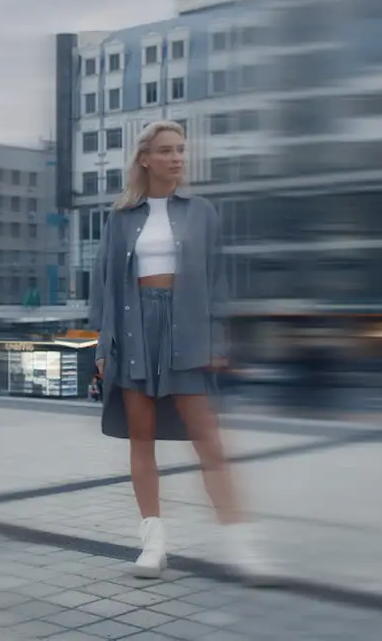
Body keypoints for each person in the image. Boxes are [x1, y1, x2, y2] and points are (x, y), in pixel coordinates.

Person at [89, 120, 274, 582]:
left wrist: (216, 339)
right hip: (134, 331)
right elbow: (105, 285)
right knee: (141, 438)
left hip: (187, 330)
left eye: (181, 150)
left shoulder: (202, 212)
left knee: (208, 441)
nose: (176, 158)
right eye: (166, 150)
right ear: (145, 159)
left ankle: (241, 547)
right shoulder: (120, 218)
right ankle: (153, 544)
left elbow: (216, 281)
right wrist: (101, 342)